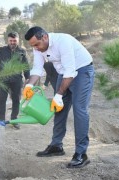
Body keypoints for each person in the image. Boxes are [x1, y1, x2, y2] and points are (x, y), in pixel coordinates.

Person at [23, 26, 94, 168]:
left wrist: (59, 95)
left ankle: (81, 154)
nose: (36, 48)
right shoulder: (37, 46)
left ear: (44, 37)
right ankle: (56, 146)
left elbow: (71, 71)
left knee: (79, 110)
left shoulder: (64, 41)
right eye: (33, 46)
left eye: (37, 44)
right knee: (59, 108)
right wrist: (29, 86)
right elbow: (37, 68)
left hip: (81, 70)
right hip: (63, 72)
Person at [0, 32, 30, 129]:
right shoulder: (1, 50)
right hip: (3, 79)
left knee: (16, 100)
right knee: (2, 100)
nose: (12, 42)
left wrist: (27, 77)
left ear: (18, 40)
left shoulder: (22, 51)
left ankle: (14, 120)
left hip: (17, 80)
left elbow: (25, 66)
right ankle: (1, 119)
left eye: (14, 41)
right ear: (7, 40)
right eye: (11, 41)